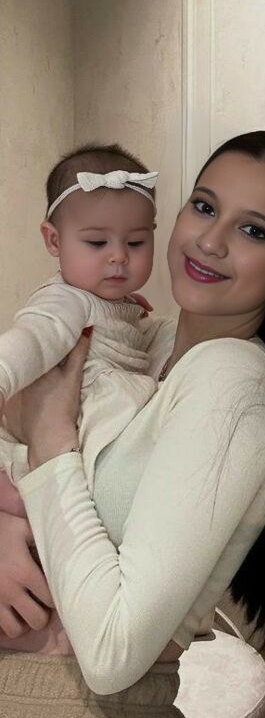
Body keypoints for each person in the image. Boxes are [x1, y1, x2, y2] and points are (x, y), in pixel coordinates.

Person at [0, 131, 265, 716]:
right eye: (204, 207)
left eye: (254, 231)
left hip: (62, 696)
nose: (210, 241)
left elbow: (112, 654)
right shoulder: (143, 343)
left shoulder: (234, 380)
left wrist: (51, 438)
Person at [0, 144, 158, 491]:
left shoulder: (101, 296)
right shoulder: (64, 301)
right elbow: (34, 338)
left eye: (135, 243)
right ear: (54, 241)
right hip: (78, 413)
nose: (119, 256)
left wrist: (127, 306)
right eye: (97, 242)